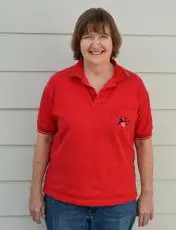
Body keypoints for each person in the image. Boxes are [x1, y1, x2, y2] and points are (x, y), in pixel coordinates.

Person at [29, 7, 154, 230]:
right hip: (63, 204)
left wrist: (147, 194)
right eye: (88, 37)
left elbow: (143, 142)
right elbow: (44, 140)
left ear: (113, 43)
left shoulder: (134, 87)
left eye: (103, 36)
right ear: (79, 43)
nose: (95, 44)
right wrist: (35, 191)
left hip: (117, 206)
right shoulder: (57, 84)